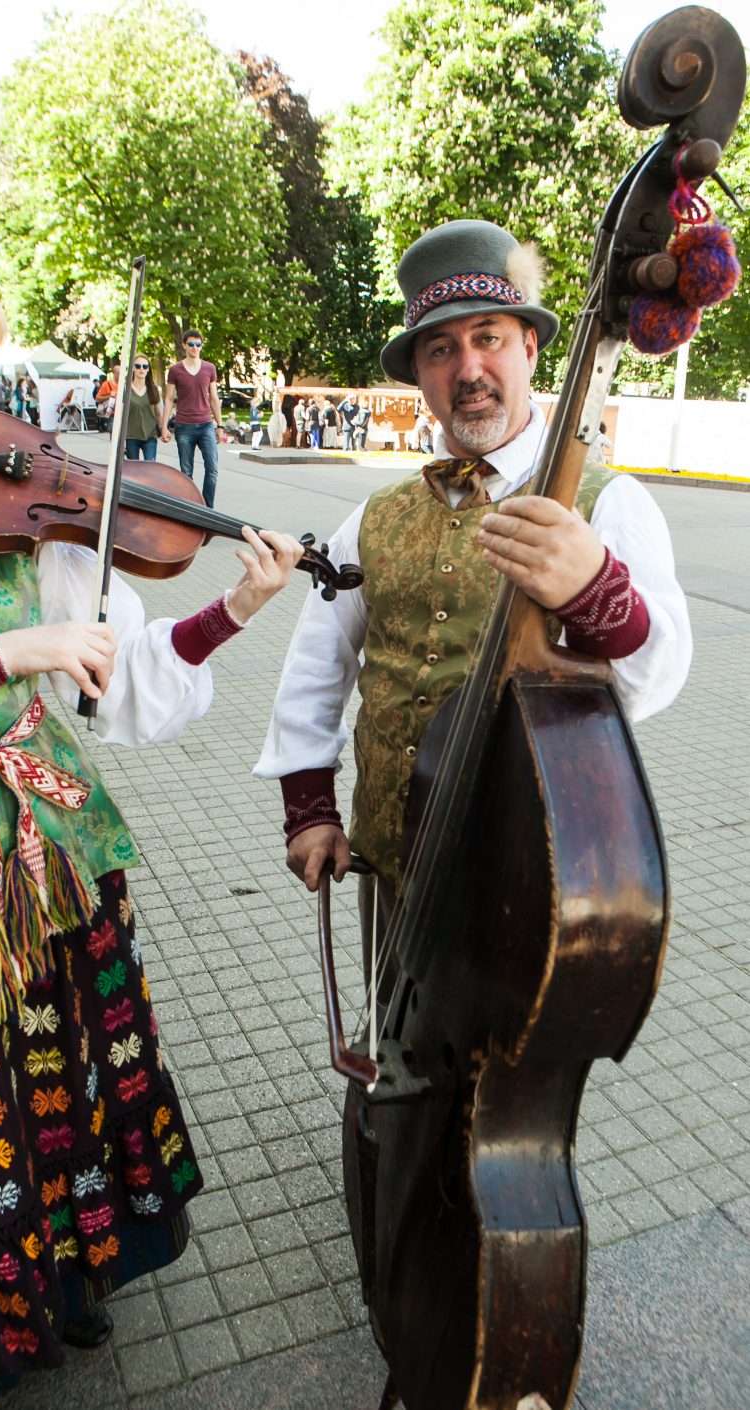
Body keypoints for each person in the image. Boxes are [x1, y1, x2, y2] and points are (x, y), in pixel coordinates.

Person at [0, 243, 304, 1410]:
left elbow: (109, 679)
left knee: (56, 1073)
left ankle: (70, 1272)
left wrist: (230, 611)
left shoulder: (14, 509)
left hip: (42, 850)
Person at [254, 218, 692, 992]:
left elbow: (659, 676)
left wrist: (594, 590)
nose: (469, 368)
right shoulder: (379, 514)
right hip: (392, 860)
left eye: (488, 338)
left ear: (530, 347)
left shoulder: (607, 502)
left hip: (531, 868)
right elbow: (319, 658)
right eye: (441, 349)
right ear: (420, 377)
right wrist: (309, 805)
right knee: (394, 1053)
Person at [161, 332, 223, 507]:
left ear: (202, 345)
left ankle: (207, 508)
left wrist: (220, 425)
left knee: (212, 469)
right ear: (184, 345)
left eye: (198, 344)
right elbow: (168, 399)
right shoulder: (175, 370)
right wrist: (164, 427)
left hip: (206, 426)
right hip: (184, 426)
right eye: (191, 344)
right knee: (186, 472)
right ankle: (190, 508)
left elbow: (214, 398)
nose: (195, 347)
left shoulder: (209, 368)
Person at [124, 353, 163, 460]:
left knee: (150, 468)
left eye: (145, 366)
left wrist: (164, 429)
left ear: (148, 370)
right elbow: (120, 416)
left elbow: (158, 413)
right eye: (138, 366)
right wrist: (121, 439)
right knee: (133, 471)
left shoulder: (153, 389)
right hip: (130, 436)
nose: (141, 369)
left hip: (150, 435)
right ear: (132, 368)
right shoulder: (125, 389)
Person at [95, 365, 119, 434]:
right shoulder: (106, 384)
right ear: (114, 374)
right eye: (118, 373)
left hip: (123, 413)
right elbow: (97, 399)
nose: (120, 375)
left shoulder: (125, 385)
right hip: (112, 414)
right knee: (113, 432)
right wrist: (109, 396)